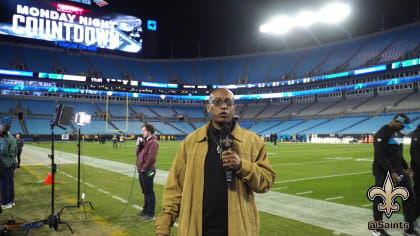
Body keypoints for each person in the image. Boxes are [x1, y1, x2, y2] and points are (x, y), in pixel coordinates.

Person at [156, 88, 275, 236]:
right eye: (217, 102)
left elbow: (266, 182)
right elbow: (175, 187)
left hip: (237, 230)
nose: (223, 106)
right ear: (208, 107)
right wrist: (163, 227)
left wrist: (241, 165)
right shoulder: (191, 141)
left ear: (234, 108)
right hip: (195, 229)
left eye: (228, 103)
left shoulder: (253, 141)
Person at [371, 113, 418, 236]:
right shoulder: (382, 133)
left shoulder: (398, 133)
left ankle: (409, 228)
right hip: (383, 171)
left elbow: (398, 153)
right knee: (381, 199)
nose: (403, 129)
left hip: (399, 171)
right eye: (402, 126)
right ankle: (377, 228)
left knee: (409, 196)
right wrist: (391, 172)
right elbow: (379, 156)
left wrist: (406, 167)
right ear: (397, 121)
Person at [136, 124, 158, 222]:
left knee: (149, 192)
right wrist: (139, 146)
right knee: (145, 191)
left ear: (149, 131)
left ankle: (151, 214)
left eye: (144, 130)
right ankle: (145, 210)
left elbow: (151, 158)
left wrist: (144, 168)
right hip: (142, 169)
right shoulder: (146, 142)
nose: (142, 132)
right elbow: (139, 155)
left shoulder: (153, 142)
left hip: (147, 170)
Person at [0, 123, 17, 209]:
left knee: (5, 184)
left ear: (4, 130)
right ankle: (10, 201)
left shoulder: (10, 139)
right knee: (8, 183)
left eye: (0, 128)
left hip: (6, 164)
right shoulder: (5, 138)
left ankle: (6, 202)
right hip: (6, 164)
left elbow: (12, 152)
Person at [411, 124, 420, 219]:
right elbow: (415, 154)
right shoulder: (417, 134)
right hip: (418, 170)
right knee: (418, 193)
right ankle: (412, 219)